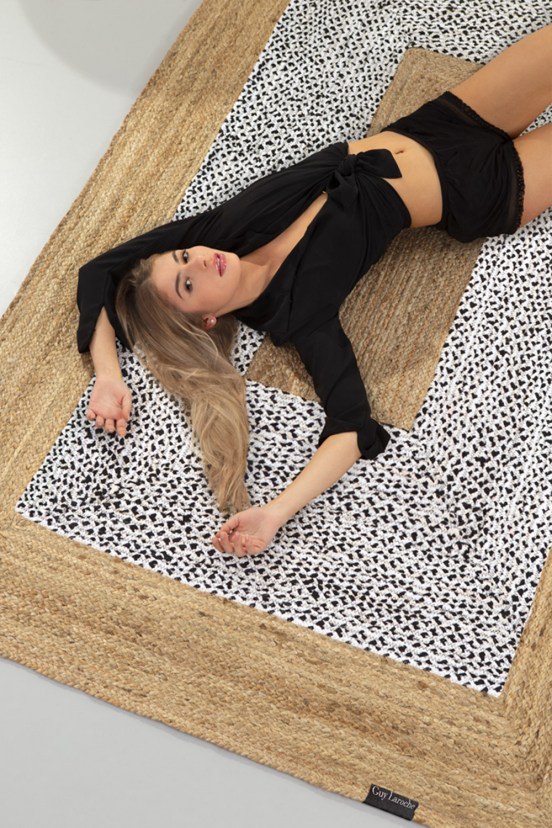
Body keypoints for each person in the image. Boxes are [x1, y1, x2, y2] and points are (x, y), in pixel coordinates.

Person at [77, 25, 552, 558]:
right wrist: (276, 512)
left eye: (183, 257)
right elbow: (351, 426)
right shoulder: (297, 315)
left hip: (441, 123)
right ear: (206, 320)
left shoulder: (220, 232)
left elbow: (101, 270)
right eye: (189, 285)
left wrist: (108, 375)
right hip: (488, 189)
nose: (200, 262)